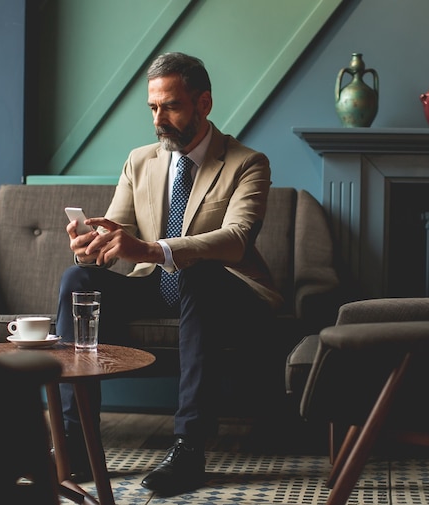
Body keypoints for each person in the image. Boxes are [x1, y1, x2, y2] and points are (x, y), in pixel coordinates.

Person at [56, 52, 283, 495]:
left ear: (204, 103)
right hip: (154, 286)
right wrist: (92, 245)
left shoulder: (247, 162)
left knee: (197, 274)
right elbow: (118, 233)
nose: (159, 119)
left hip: (230, 292)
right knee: (76, 280)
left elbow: (236, 238)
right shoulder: (140, 160)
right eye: (153, 108)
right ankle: (77, 443)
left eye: (171, 106)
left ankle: (189, 449)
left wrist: (154, 248)